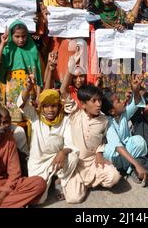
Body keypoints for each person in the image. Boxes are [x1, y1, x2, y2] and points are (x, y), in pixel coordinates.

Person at [59, 47, 121, 203]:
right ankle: (74, 182)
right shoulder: (75, 113)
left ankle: (85, 183)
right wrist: (70, 68)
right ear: (84, 104)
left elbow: (103, 140)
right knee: (74, 199)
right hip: (76, 164)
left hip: (93, 162)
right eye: (94, 101)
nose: (98, 104)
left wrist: (100, 154)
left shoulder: (104, 120)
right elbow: (63, 90)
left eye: (99, 100)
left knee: (114, 177)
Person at [18, 70, 79, 204]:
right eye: (46, 106)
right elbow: (22, 104)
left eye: (54, 106)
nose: (50, 110)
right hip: (38, 161)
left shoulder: (65, 120)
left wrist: (63, 152)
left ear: (59, 106)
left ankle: (59, 180)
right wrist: (27, 89)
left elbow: (70, 144)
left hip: (57, 159)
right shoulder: (35, 117)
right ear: (41, 107)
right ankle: (47, 182)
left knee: (73, 155)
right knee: (38, 200)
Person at [101, 74, 148, 184]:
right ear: (112, 111)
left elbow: (136, 103)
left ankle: (127, 168)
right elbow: (117, 146)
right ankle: (133, 167)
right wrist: (137, 164)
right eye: (118, 101)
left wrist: (136, 90)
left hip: (127, 151)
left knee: (139, 141)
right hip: (116, 153)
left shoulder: (123, 114)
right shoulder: (108, 122)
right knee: (108, 151)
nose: (122, 102)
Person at [0, 21, 43, 123]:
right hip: (12, 89)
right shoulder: (8, 49)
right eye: (17, 36)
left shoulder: (32, 50)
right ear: (11, 36)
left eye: (24, 36)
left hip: (29, 87)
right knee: (14, 120)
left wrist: (38, 95)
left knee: (30, 119)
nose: (21, 39)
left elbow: (37, 74)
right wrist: (2, 43)